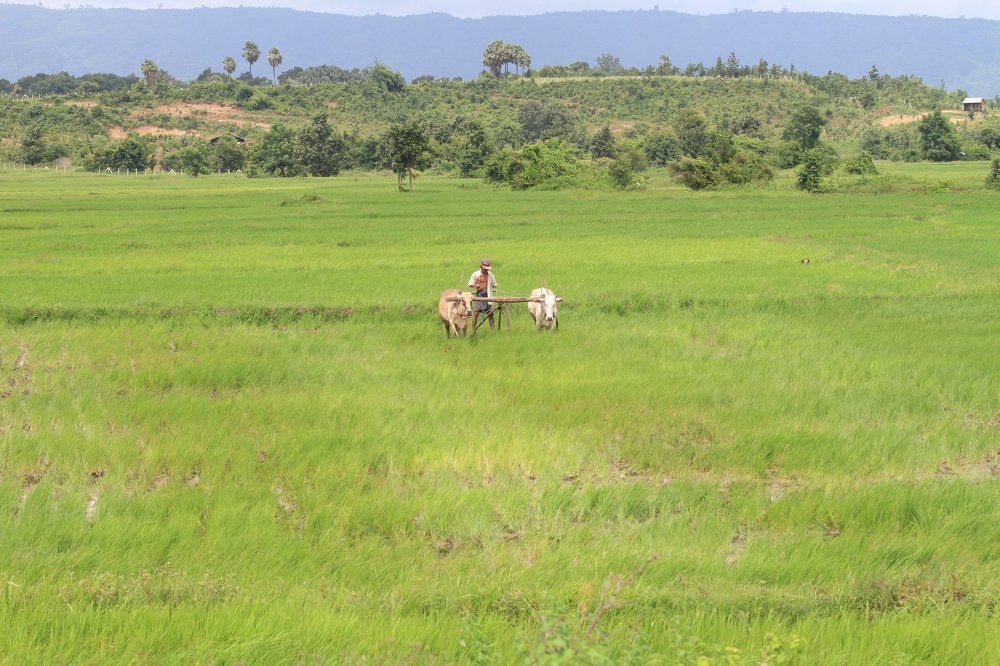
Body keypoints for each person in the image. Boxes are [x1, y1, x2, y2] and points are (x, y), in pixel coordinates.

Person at [468, 259, 498, 331]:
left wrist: (494, 288)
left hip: (488, 296)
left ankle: (493, 330)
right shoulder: (475, 274)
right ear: (481, 267)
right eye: (485, 269)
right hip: (479, 295)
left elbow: (494, 284)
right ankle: (473, 330)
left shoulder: (490, 275)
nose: (486, 270)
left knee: (490, 314)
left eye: (487, 269)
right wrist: (476, 285)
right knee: (475, 314)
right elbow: (470, 284)